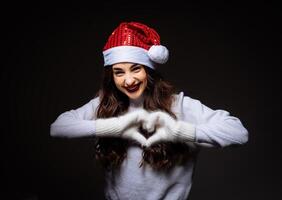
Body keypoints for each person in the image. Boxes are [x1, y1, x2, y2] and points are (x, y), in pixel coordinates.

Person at [50, 21, 249, 200]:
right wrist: (114, 127)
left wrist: (180, 132)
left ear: (149, 70)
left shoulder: (179, 105)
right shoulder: (105, 105)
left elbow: (238, 133)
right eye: (119, 72)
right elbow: (58, 128)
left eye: (136, 68)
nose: (128, 80)